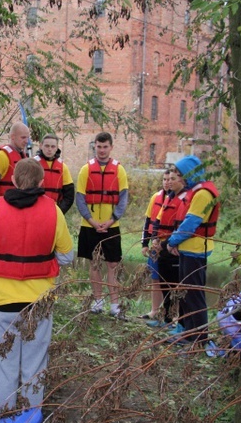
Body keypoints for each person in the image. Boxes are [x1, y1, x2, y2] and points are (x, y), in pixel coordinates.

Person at [0, 158, 74, 417]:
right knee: (34, 367)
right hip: (39, 303)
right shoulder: (54, 211)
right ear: (42, 183)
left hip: (3, 302)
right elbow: (66, 256)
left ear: (14, 181)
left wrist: (3, 261)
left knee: (4, 368)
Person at [165, 155, 220, 346]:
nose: (178, 178)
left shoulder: (203, 194)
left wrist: (172, 241)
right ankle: (189, 334)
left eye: (180, 174)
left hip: (196, 250)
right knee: (185, 293)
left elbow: (191, 223)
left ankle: (199, 338)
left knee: (194, 295)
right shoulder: (195, 191)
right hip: (187, 249)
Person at [75, 132, 129, 316]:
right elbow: (80, 198)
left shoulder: (119, 170)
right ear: (94, 147)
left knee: (113, 264)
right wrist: (91, 220)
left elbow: (123, 199)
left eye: (105, 147)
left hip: (111, 226)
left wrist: (111, 220)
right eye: (99, 146)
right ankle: (98, 301)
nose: (102, 150)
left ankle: (115, 305)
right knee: (94, 264)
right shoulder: (86, 169)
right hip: (90, 225)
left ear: (111, 147)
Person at [150, 168, 188, 329]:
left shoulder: (185, 199)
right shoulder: (169, 197)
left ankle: (176, 321)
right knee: (164, 283)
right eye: (168, 178)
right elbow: (158, 220)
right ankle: (166, 319)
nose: (170, 181)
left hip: (174, 248)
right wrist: (155, 239)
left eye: (174, 178)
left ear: (182, 180)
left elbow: (182, 226)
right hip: (163, 247)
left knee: (175, 286)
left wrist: (167, 243)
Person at [139, 169, 170, 320]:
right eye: (164, 179)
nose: (166, 182)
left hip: (170, 246)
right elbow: (148, 221)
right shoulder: (156, 197)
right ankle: (154, 310)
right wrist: (145, 243)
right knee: (155, 278)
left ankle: (172, 314)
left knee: (171, 281)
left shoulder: (180, 199)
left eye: (169, 179)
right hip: (154, 245)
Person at [33, 134, 75, 214]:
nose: (49, 149)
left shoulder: (63, 167)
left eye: (53, 146)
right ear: (41, 146)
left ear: (56, 148)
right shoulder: (33, 164)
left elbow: (69, 196)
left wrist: (59, 211)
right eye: (47, 146)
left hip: (56, 210)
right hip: (35, 210)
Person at [0, 122, 30, 196]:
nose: (26, 141)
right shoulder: (1, 156)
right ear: (13, 136)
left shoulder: (24, 157)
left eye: (27, 137)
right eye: (23, 137)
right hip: (3, 203)